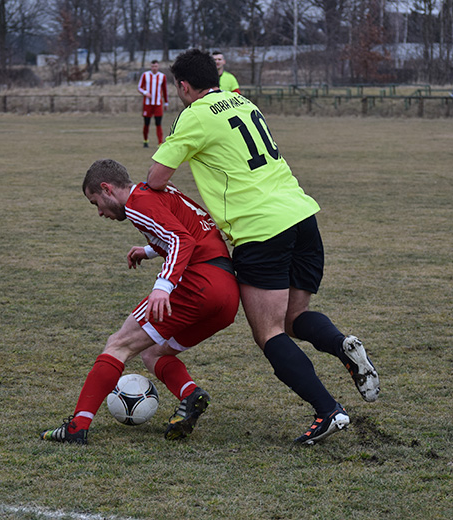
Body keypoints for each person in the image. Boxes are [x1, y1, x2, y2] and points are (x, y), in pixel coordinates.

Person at [146, 49, 380, 446]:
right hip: (302, 215)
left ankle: (329, 412)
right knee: (293, 317)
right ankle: (342, 344)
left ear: (184, 86)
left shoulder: (194, 114)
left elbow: (155, 178)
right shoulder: (241, 100)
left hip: (260, 229)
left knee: (268, 332)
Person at [40, 159, 239, 445]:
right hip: (226, 294)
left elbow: (182, 240)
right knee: (154, 353)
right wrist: (148, 250)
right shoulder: (158, 192)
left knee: (118, 344)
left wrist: (163, 286)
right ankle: (190, 395)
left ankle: (77, 427)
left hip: (198, 284)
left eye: (96, 202)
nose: (99, 212)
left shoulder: (136, 203)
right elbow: (188, 229)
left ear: (107, 189)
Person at [137, 60, 168, 148]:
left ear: (158, 67)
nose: (154, 68)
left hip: (158, 104)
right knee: (146, 123)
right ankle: (145, 141)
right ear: (150, 67)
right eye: (153, 66)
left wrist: (166, 103)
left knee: (158, 123)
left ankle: (160, 143)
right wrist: (145, 92)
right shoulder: (145, 75)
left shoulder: (162, 76)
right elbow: (139, 87)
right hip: (147, 104)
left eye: (156, 66)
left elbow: (165, 90)